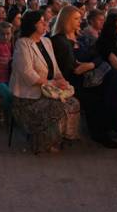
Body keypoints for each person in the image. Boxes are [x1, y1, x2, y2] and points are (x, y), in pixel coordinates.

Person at [51, 6, 117, 147]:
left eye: (80, 18)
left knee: (116, 80)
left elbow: (98, 56)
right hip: (74, 80)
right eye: (76, 19)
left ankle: (112, 125)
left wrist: (91, 65)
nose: (80, 21)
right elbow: (73, 69)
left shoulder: (80, 37)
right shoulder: (59, 41)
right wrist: (92, 64)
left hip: (90, 74)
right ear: (66, 20)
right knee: (109, 85)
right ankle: (108, 128)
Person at [10, 11, 79, 152]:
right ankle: (46, 142)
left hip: (47, 91)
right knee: (59, 106)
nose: (45, 24)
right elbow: (28, 74)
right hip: (28, 97)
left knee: (73, 102)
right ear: (32, 25)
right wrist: (52, 83)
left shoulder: (47, 42)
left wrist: (62, 81)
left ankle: (65, 138)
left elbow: (55, 68)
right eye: (41, 22)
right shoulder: (23, 44)